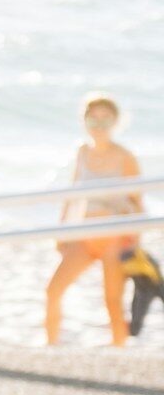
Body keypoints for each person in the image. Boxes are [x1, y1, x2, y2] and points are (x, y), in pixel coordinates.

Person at [47, 94, 143, 346]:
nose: (99, 126)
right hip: (85, 235)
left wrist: (134, 242)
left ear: (115, 122)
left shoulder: (126, 157)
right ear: (84, 121)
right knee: (53, 290)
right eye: (93, 120)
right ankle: (50, 348)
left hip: (114, 237)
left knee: (112, 301)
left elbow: (137, 203)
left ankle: (119, 353)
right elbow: (71, 194)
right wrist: (61, 232)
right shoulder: (82, 152)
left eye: (105, 120)